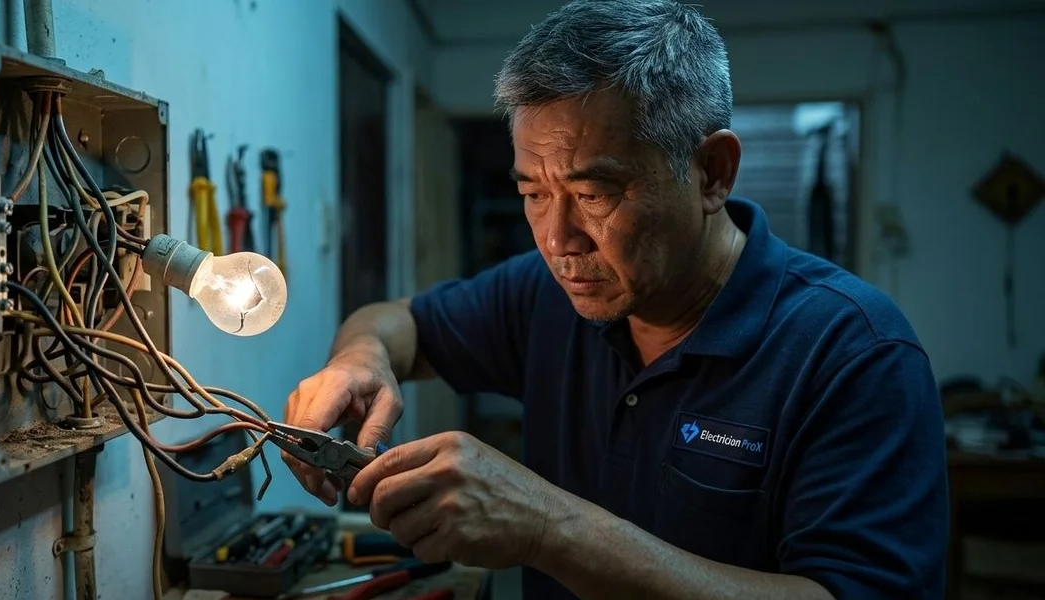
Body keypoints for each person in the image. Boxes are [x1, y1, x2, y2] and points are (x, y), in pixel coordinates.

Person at [281, 0, 949, 598]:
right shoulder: (544, 294)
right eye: (532, 194)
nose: (557, 239)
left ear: (712, 173)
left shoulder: (855, 352)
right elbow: (398, 322)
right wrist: (360, 357)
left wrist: (549, 530)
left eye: (595, 195)